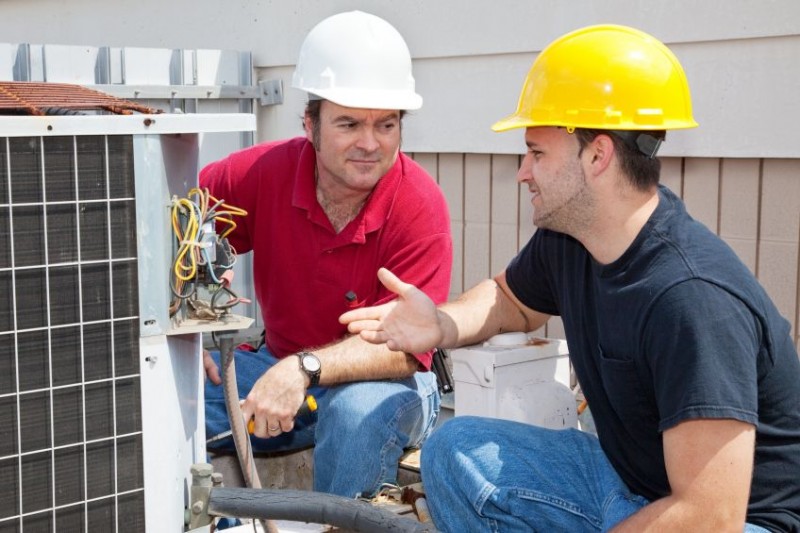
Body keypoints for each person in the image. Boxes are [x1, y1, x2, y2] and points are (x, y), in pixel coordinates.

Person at [340, 24, 800, 531]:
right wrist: (442, 326)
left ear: (597, 155)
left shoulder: (691, 300)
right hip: (632, 482)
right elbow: (509, 299)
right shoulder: (573, 239)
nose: (522, 171)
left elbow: (709, 515)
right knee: (453, 448)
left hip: (740, 522)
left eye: (537, 152)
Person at [200, 10, 452, 498]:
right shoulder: (263, 173)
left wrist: (301, 371)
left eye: (386, 125)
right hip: (275, 363)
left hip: (383, 382)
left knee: (356, 413)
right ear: (310, 126)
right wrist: (183, 327)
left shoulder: (420, 205)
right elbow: (171, 223)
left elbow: (403, 353)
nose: (369, 144)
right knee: (170, 392)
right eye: (349, 123)